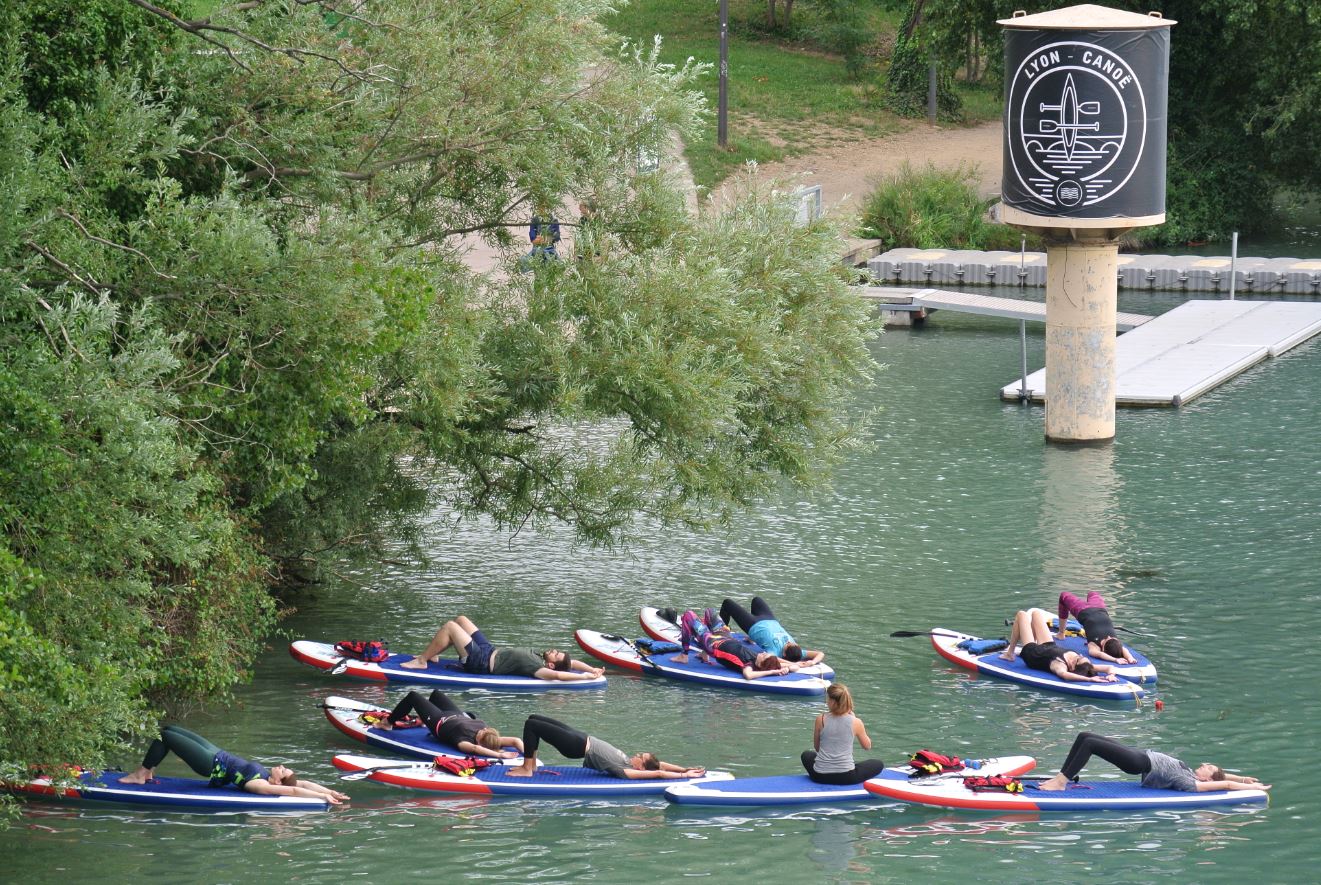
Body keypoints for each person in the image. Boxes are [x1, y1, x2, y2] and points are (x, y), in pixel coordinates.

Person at [119, 725, 349, 804]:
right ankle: (148, 772)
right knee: (169, 729)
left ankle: (141, 774)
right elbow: (304, 784)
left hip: (210, 764)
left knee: (165, 736)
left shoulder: (261, 786)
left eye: (283, 770)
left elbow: (295, 790)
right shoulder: (268, 777)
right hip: (218, 753)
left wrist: (322, 798)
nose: (280, 765)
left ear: (279, 781)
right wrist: (330, 791)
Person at [1037, 732, 1271, 792]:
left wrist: (1254, 788)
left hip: (1139, 763)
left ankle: (1061, 782)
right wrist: (1242, 777)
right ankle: (1059, 777)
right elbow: (1224, 778)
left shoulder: (1189, 783)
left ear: (1207, 780)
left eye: (1208, 768)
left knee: (1090, 744)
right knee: (1085, 736)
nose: (1204, 764)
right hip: (1140, 754)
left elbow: (1225, 784)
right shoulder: (1192, 773)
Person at [400, 615, 604, 682]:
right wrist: (591, 669)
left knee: (451, 627)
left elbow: (559, 675)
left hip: (480, 662)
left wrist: (585, 677)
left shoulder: (540, 669)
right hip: (489, 649)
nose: (553, 649)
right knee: (461, 620)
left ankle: (422, 661)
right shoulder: (542, 658)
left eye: (555, 654)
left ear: (551, 664)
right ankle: (433, 654)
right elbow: (572, 663)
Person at [504, 714, 705, 780]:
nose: (637, 754)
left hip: (576, 747)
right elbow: (661, 766)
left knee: (532, 726)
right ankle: (531, 765)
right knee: (534, 718)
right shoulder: (631, 762)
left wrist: (684, 777)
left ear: (641, 767)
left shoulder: (626, 770)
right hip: (582, 737)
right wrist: (684, 768)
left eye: (640, 757)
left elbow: (658, 773)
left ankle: (527, 768)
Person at [374, 690, 523, 759]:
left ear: (479, 742)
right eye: (483, 730)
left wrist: (499, 755)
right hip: (454, 714)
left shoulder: (464, 742)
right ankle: (421, 718)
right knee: (436, 694)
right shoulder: (491, 737)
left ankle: (387, 723)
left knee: (413, 696)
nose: (481, 730)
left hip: (438, 720)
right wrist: (529, 757)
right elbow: (516, 741)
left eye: (480, 734)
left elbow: (476, 749)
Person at [998, 608, 1118, 684]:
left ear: (1072, 666)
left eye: (1078, 658)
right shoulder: (1086, 665)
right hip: (1049, 645)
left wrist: (1089, 679)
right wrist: (1111, 675)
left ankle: (1010, 654)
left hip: (1032, 652)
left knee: (1021, 614)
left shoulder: (1059, 665)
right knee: (1036, 613)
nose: (1080, 655)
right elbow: (1109, 668)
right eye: (1082, 656)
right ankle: (1030, 639)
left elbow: (1065, 675)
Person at [673, 608, 798, 680]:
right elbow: (793, 667)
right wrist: (789, 666)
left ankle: (684, 656)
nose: (764, 653)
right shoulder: (757, 658)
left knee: (688, 615)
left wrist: (772, 672)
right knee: (710, 612)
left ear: (761, 664)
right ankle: (703, 654)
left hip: (712, 644)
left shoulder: (748, 664)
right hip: (725, 637)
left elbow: (748, 676)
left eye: (764, 656)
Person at [801, 683, 885, 785]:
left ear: (832, 701)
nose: (826, 701)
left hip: (819, 776)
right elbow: (867, 746)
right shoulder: (856, 722)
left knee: (806, 755)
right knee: (878, 764)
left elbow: (817, 748)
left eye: (828, 698)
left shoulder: (820, 719)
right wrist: (855, 719)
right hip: (846, 777)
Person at [719, 596, 825, 665]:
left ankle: (720, 633)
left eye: (787, 645)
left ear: (784, 654)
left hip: (753, 625)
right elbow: (820, 654)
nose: (788, 642)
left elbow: (770, 657)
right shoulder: (798, 652)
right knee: (757, 600)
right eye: (791, 643)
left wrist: (792, 664)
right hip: (770, 619)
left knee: (727, 603)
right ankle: (752, 638)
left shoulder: (775, 652)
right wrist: (812, 662)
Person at [1056, 590, 1137, 664]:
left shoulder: (1096, 645)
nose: (1108, 636)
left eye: (1107, 639)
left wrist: (1117, 659)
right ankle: (1061, 633)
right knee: (1089, 593)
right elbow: (1123, 650)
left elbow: (1100, 654)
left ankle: (1061, 633)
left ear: (1103, 649)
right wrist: (1129, 658)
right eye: (1110, 638)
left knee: (1065, 595)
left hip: (1092, 608)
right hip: (1089, 608)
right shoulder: (1104, 644)